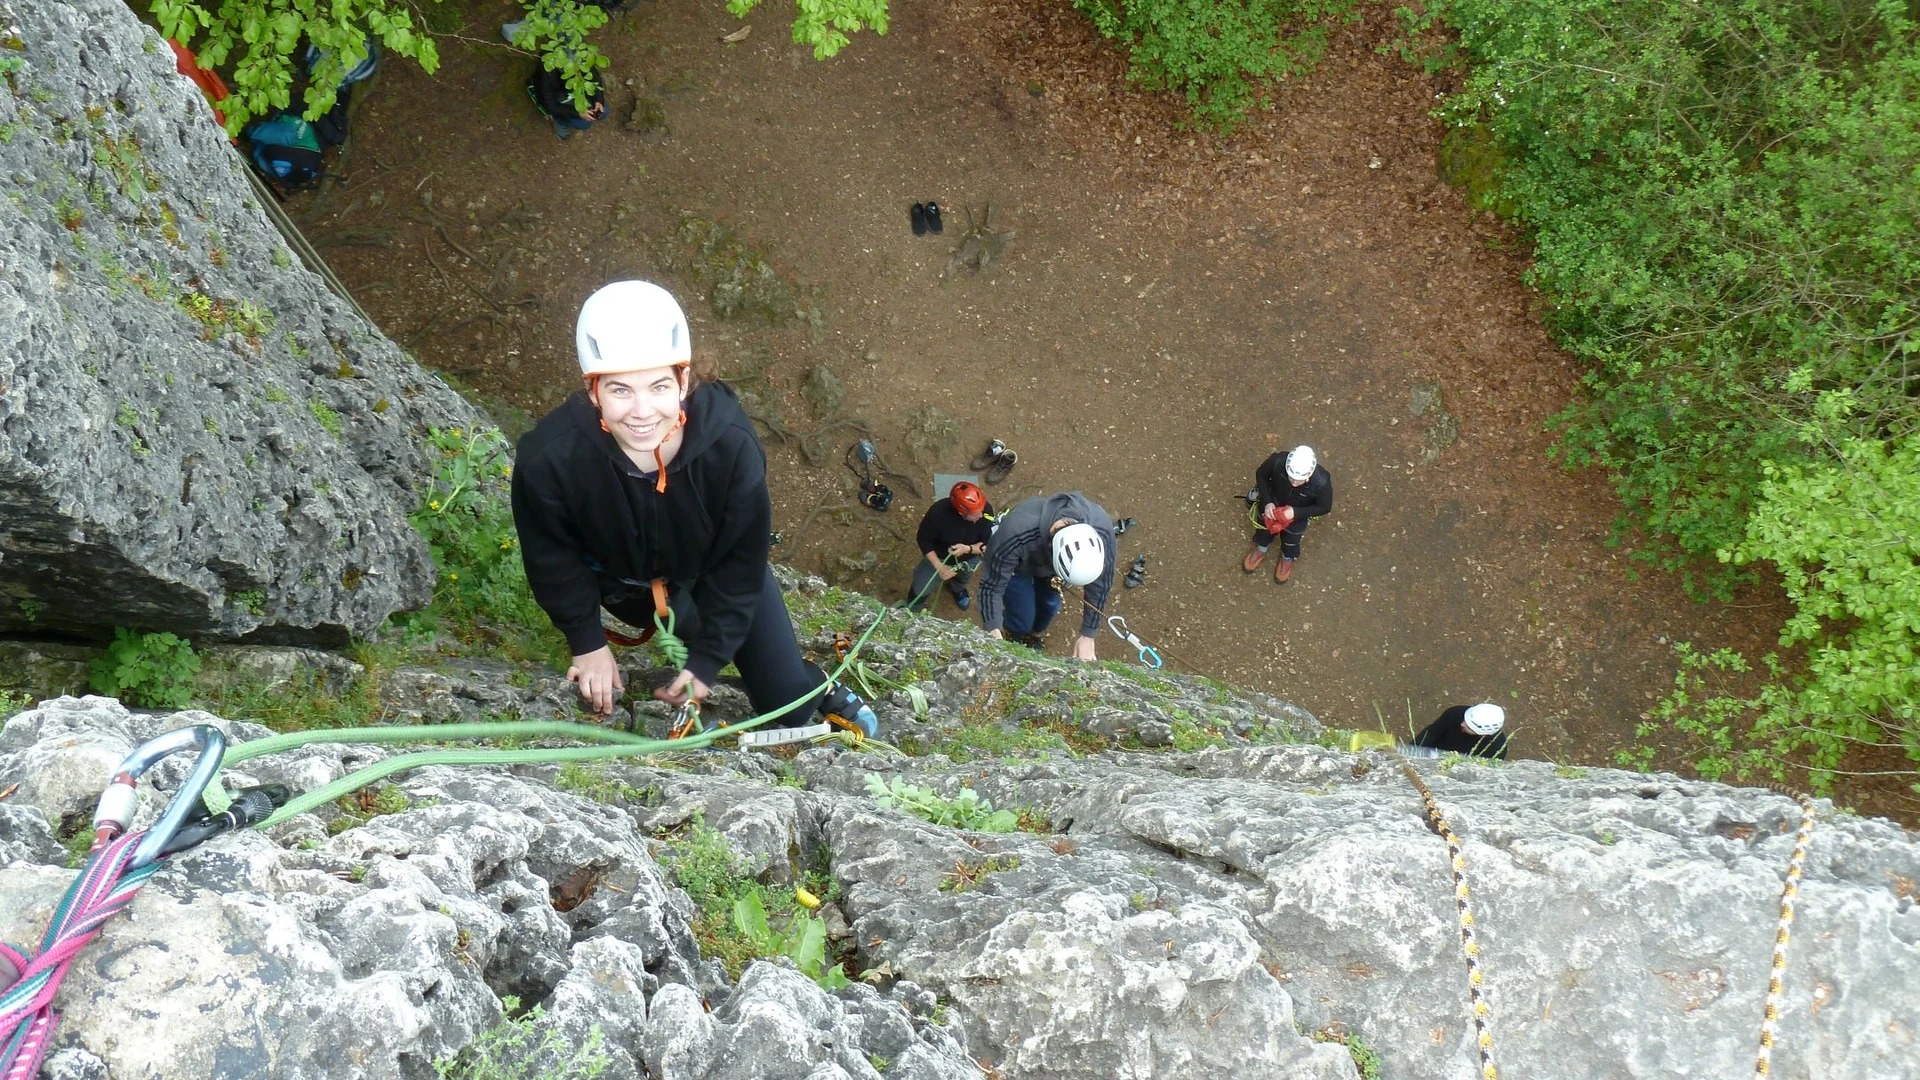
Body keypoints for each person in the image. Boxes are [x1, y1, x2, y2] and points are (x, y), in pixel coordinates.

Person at [511, 279, 877, 737]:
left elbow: (741, 563)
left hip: (718, 571)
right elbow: (551, 553)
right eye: (620, 390)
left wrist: (705, 663)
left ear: (683, 381)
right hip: (634, 591)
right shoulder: (549, 457)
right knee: (699, 628)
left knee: (788, 707)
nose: (642, 411)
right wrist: (587, 641)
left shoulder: (730, 447)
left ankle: (814, 685)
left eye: (659, 385)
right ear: (593, 391)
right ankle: (736, 652)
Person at [975, 492, 1116, 659]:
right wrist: (993, 629)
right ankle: (1016, 632)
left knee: (1050, 605)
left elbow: (1101, 585)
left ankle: (1034, 634)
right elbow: (992, 585)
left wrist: (1088, 635)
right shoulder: (1016, 531)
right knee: (1022, 617)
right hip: (1018, 567)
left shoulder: (1101, 531)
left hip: (1052, 572)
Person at [1242, 445, 1333, 583]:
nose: (1294, 483)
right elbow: (1261, 475)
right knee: (1264, 530)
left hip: (1297, 518)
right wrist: (1267, 501)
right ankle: (1261, 548)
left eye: (1299, 480)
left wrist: (1296, 513)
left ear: (1309, 475)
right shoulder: (1278, 461)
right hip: (1272, 506)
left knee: (1292, 539)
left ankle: (1287, 557)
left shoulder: (1321, 482)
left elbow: (1324, 507)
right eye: (1291, 478)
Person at [907, 482, 993, 612]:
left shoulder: (985, 510)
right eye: (975, 514)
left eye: (981, 510)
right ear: (961, 512)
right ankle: (913, 608)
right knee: (921, 587)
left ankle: (957, 588)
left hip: (969, 557)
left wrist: (968, 549)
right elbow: (923, 540)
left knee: (964, 576)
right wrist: (939, 566)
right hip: (939, 557)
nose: (981, 516)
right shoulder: (938, 515)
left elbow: (986, 542)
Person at [528, 64, 607, 140]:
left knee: (604, 111)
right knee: (583, 123)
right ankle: (560, 122)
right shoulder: (546, 74)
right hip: (558, 95)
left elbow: (594, 76)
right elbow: (549, 105)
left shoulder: (580, 55)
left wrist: (598, 100)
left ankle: (571, 117)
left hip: (575, 89)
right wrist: (577, 113)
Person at [1411, 703, 1510, 760]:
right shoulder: (1456, 713)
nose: (1462, 724)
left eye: (1470, 727)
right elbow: (1430, 733)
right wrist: (1412, 751)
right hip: (1430, 752)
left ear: (1483, 734)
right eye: (1465, 720)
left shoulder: (1496, 749)